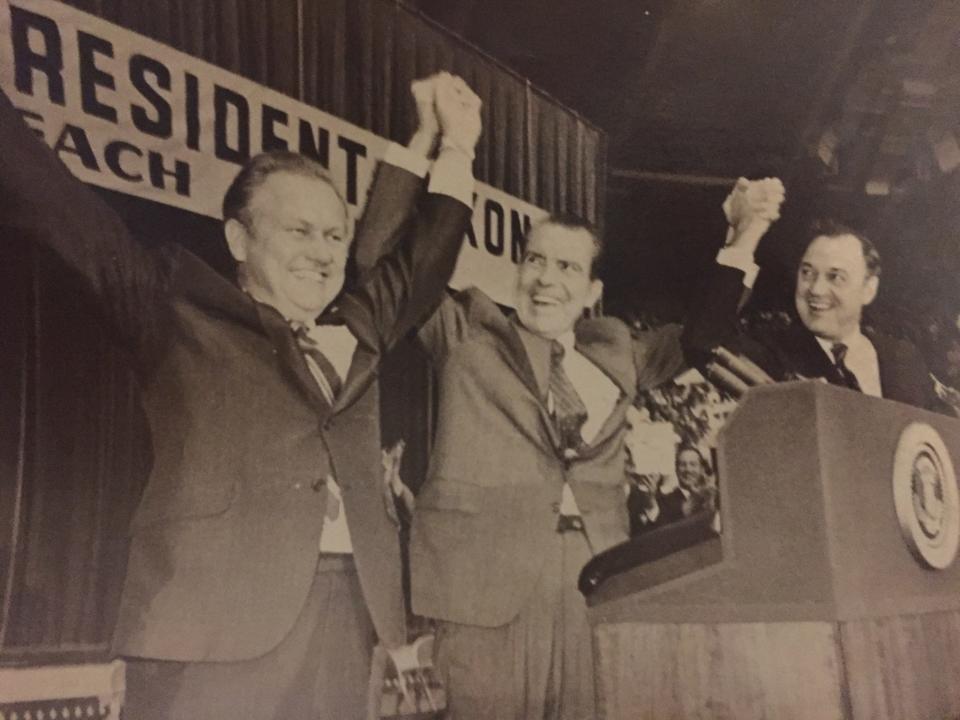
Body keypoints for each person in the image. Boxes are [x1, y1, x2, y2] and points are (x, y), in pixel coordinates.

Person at [0, 73, 480, 720]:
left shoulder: (360, 328)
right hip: (207, 634)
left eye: (334, 236)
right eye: (298, 232)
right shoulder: (171, 306)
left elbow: (424, 259)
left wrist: (457, 148)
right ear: (239, 241)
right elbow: (52, 201)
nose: (322, 254)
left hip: (349, 619)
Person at [344, 197, 764, 717]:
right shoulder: (467, 333)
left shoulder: (620, 351)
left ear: (592, 291)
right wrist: (444, 148)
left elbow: (704, 334)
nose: (545, 279)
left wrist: (744, 236)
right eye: (535, 260)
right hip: (483, 588)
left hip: (592, 581)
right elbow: (384, 265)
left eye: (566, 267)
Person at [686, 179, 941, 411]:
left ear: (868, 289)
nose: (816, 289)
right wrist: (747, 234)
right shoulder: (776, 354)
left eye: (835, 277)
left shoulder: (905, 361)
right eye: (807, 273)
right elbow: (705, 344)